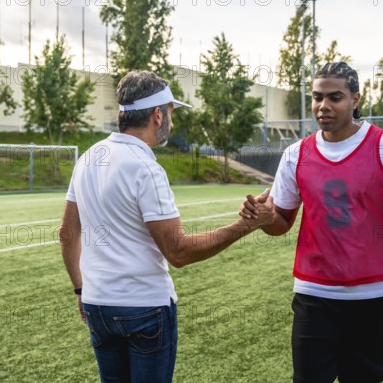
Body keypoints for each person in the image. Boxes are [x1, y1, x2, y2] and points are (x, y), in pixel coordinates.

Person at [60, 70, 274, 383]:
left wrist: (80, 288)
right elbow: (179, 252)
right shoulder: (145, 167)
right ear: (158, 115)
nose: (172, 120)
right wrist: (247, 225)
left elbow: (66, 233)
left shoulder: (89, 157)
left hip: (97, 304)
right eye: (171, 112)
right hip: (143, 309)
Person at [240, 62, 383, 382]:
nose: (324, 106)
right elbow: (281, 223)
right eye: (317, 97)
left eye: (335, 97)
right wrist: (264, 219)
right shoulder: (295, 154)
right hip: (314, 295)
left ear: (356, 99)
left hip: (374, 296)